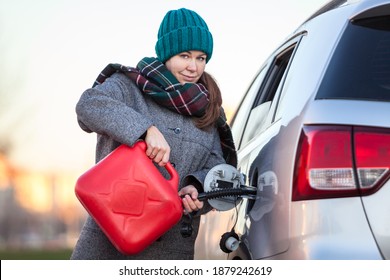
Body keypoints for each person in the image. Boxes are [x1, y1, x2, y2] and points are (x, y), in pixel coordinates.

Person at [71, 7, 236, 260]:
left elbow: (216, 165)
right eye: (185, 55)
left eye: (201, 58)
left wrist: (196, 187)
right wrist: (144, 129)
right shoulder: (129, 86)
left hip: (170, 250)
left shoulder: (208, 110)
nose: (193, 67)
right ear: (167, 53)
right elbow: (88, 105)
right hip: (109, 242)